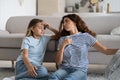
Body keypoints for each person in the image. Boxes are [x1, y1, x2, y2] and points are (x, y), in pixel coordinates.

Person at [48, 14, 118, 80]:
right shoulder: (63, 39)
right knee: (52, 77)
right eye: (63, 22)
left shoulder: (85, 36)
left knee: (68, 79)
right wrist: (63, 45)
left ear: (75, 22)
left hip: (80, 70)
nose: (64, 24)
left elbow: (105, 50)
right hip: (65, 69)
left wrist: (118, 50)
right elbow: (58, 62)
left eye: (67, 21)